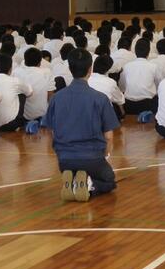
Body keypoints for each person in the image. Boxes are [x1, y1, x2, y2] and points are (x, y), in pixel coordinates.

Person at [42, 48, 120, 202]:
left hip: (65, 159)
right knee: (109, 180)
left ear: (70, 69)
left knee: (77, 168)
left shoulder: (57, 98)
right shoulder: (100, 98)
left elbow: (51, 131)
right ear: (90, 69)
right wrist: (105, 155)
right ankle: (89, 184)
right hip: (92, 157)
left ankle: (73, 181)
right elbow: (109, 137)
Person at [0, 54, 31, 131]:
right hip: (11, 125)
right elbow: (29, 92)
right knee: (22, 94)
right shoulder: (15, 81)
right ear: (10, 69)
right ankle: (18, 124)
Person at [12, 47, 55, 123]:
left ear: (25, 61)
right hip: (43, 115)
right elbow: (50, 96)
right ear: (40, 62)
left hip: (22, 116)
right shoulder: (47, 72)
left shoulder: (16, 72)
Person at [120, 38, 161, 115]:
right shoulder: (154, 67)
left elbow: (122, 86)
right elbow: (159, 85)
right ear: (148, 52)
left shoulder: (127, 66)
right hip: (148, 105)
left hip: (129, 105)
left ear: (135, 51)